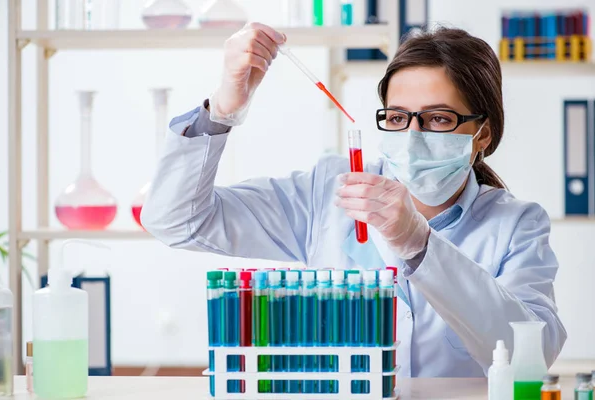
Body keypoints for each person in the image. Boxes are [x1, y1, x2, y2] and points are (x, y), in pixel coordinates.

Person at [141, 23, 566, 377]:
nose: (413, 137)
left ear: (482, 134)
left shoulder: (516, 225)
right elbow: (177, 221)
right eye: (398, 118)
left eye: (439, 118)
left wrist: (421, 247)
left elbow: (530, 358)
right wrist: (222, 109)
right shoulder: (328, 192)